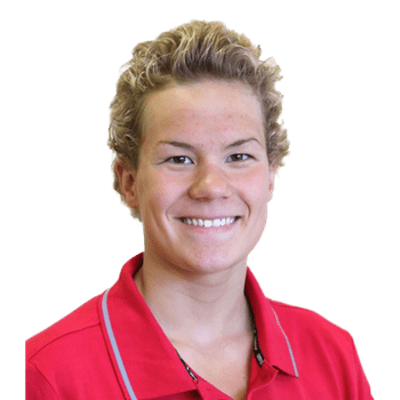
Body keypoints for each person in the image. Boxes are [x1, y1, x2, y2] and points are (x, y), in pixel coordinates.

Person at [25, 19, 374, 400]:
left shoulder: (331, 353)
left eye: (239, 156)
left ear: (271, 178)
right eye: (178, 159)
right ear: (129, 182)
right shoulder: (48, 374)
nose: (210, 187)